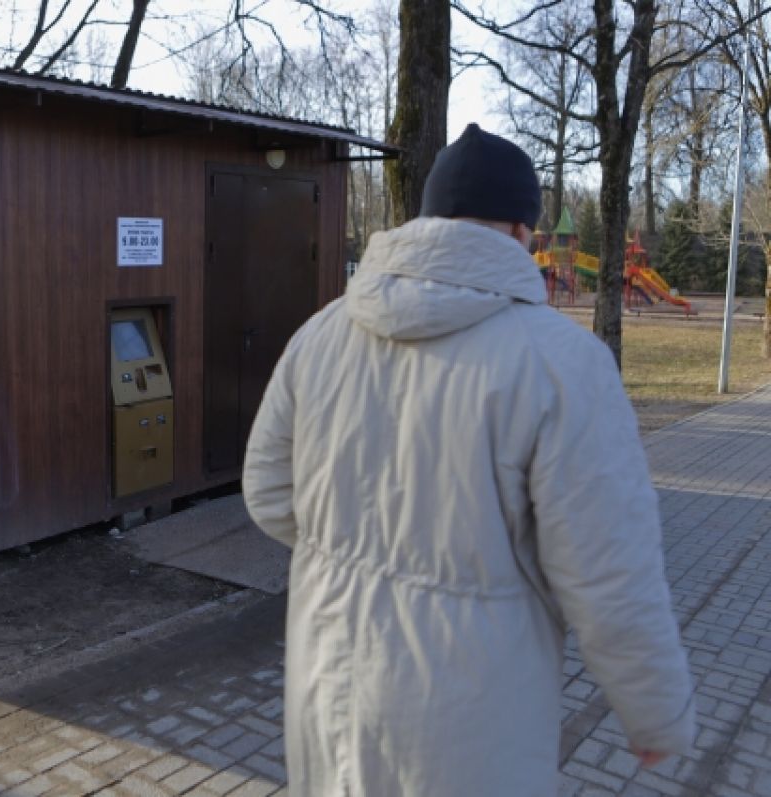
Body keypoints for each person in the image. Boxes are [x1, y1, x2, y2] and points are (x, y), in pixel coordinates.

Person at [242, 124, 695, 796]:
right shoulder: (562, 363)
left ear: (427, 218)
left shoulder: (322, 333)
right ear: (522, 230)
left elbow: (269, 492)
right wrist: (658, 715)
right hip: (473, 720)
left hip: (330, 688)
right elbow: (608, 570)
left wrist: (354, 550)